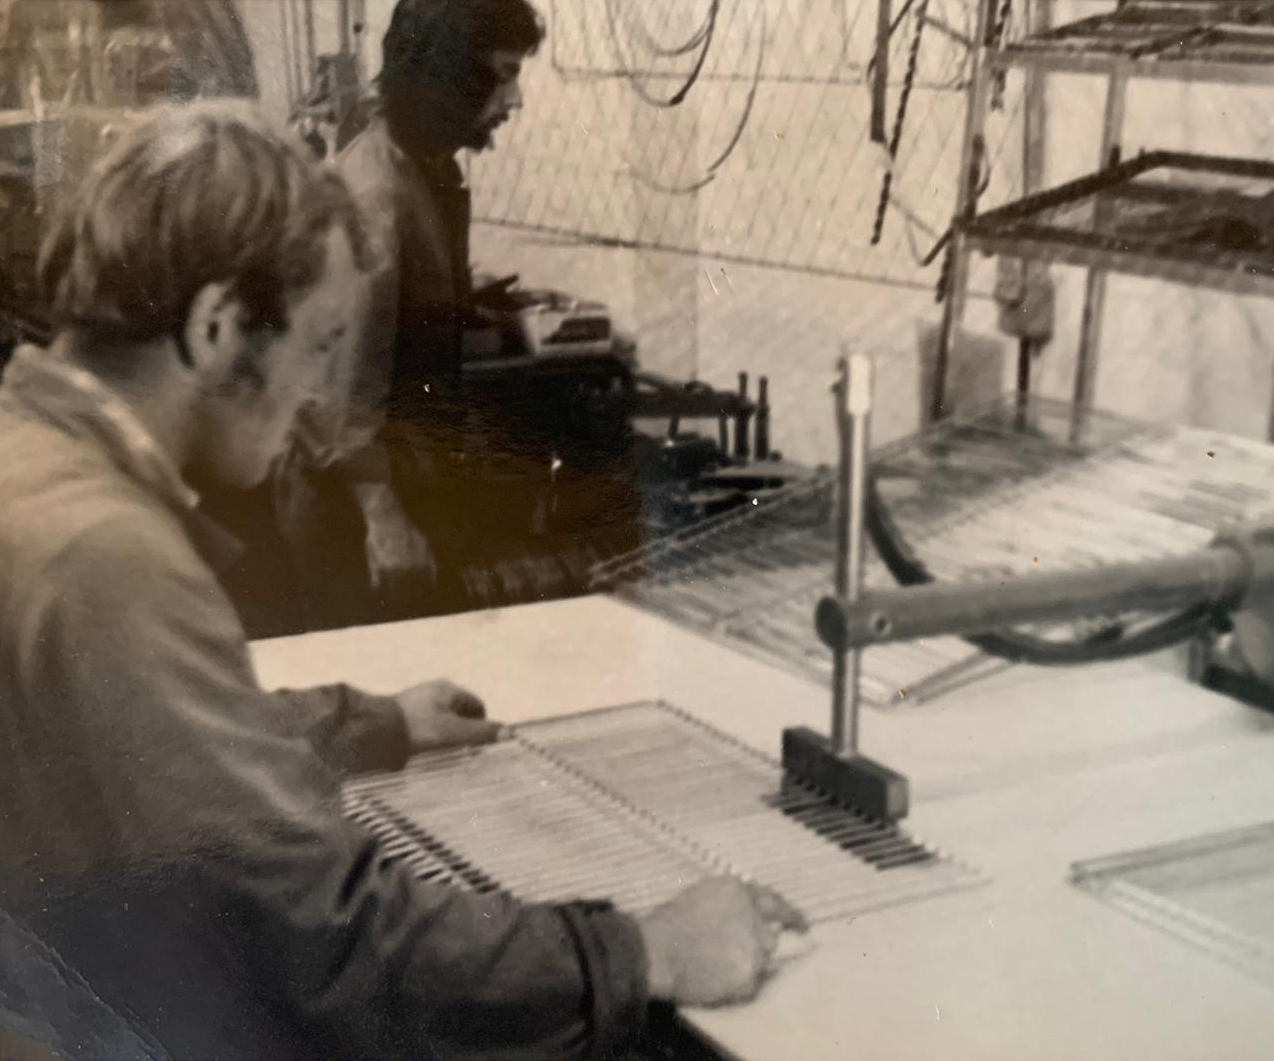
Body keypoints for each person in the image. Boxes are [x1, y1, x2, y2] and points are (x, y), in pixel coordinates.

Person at [0, 103, 803, 1060]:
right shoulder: (106, 552)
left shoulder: (30, 457)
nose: (320, 393)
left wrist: (362, 722)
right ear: (216, 326)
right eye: (321, 342)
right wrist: (642, 952)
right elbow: (335, 946)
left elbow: (129, 737)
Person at [274, 0, 568, 627]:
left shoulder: (425, 170)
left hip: (406, 484)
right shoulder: (376, 197)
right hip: (354, 515)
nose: (515, 101)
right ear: (446, 77)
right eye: (504, 74)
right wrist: (383, 519)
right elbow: (338, 401)